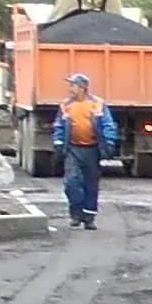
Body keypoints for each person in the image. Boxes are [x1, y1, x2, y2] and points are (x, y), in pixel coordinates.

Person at [57, 72, 118, 229]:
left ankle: (89, 218)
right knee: (71, 183)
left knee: (91, 184)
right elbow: (59, 126)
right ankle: (76, 213)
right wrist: (58, 142)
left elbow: (107, 124)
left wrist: (109, 142)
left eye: (73, 85)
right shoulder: (66, 105)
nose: (70, 89)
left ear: (82, 87)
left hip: (92, 150)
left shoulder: (97, 104)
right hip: (73, 149)